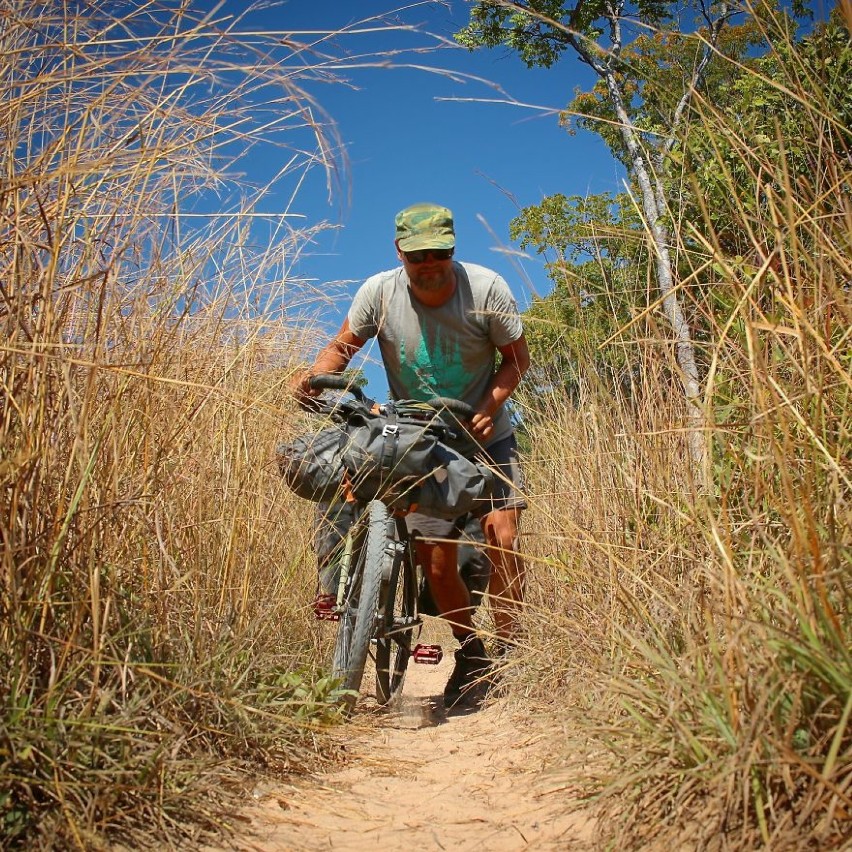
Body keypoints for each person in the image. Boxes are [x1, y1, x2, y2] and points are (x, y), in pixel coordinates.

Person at [293, 202, 530, 708]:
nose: (428, 263)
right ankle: (472, 655)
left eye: (438, 253)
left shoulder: (486, 290)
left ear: (452, 249)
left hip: (483, 433)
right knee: (436, 559)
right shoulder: (378, 293)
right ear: (399, 251)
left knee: (502, 535)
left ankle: (515, 656)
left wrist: (491, 404)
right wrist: (317, 375)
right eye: (417, 254)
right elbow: (342, 346)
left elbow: (515, 361)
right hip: (418, 440)